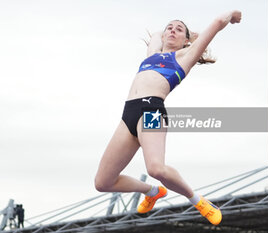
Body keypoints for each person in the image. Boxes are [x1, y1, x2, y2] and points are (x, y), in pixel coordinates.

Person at [95, 10, 242, 225]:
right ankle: (153, 192)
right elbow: (156, 34)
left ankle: (199, 201)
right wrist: (176, 30)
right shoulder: (152, 54)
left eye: (179, 29)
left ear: (187, 42)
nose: (172, 30)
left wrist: (233, 14)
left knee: (156, 168)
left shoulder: (184, 57)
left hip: (151, 111)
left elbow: (219, 22)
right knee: (103, 182)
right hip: (128, 114)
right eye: (169, 28)